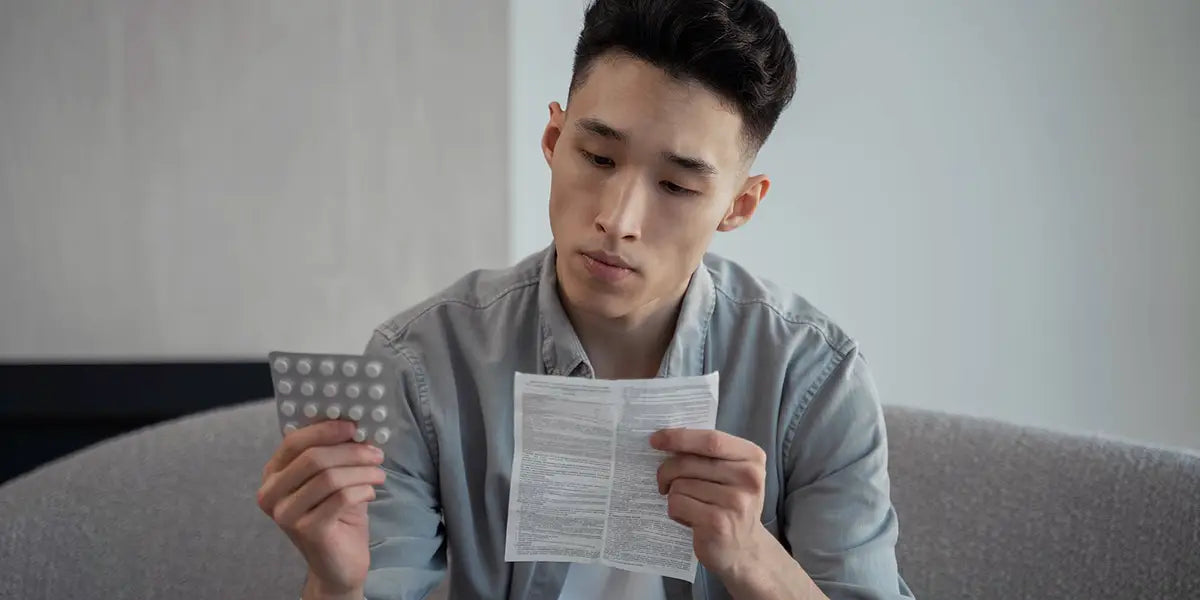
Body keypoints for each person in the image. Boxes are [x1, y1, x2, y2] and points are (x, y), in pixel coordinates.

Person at [257, 0, 915, 598]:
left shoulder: (815, 377)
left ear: (739, 205)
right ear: (553, 140)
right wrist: (336, 584)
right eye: (598, 157)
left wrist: (749, 557)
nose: (618, 220)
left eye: (677, 187)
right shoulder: (423, 361)